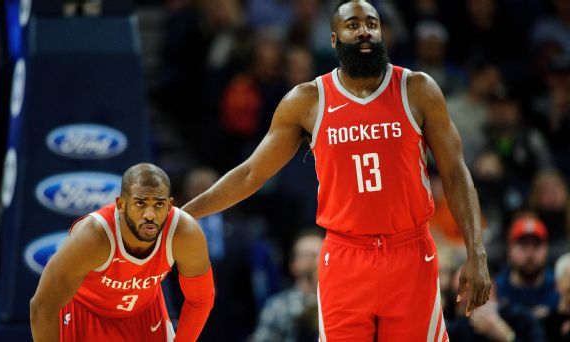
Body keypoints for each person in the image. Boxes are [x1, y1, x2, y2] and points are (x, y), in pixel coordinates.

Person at [181, 0, 491, 339]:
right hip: (345, 256)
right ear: (333, 38)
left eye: (372, 23)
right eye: (353, 24)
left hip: (410, 252)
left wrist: (476, 253)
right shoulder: (308, 100)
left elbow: (456, 174)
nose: (364, 31)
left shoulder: (417, 89)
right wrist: (186, 214)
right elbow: (251, 173)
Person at [30, 163, 214, 341]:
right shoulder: (93, 236)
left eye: (158, 204)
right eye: (140, 203)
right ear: (121, 204)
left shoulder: (184, 232)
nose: (150, 214)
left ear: (169, 204)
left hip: (144, 313)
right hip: (85, 311)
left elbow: (200, 300)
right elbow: (42, 307)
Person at [252, 228, 323, 342]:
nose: (315, 261)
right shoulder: (277, 306)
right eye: (308, 255)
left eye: (320, 254)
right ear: (293, 265)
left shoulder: (338, 303)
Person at [495, 215, 558, 319]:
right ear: (510, 250)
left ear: (546, 249)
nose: (530, 253)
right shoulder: (495, 291)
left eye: (536, 245)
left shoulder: (559, 289)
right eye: (523, 245)